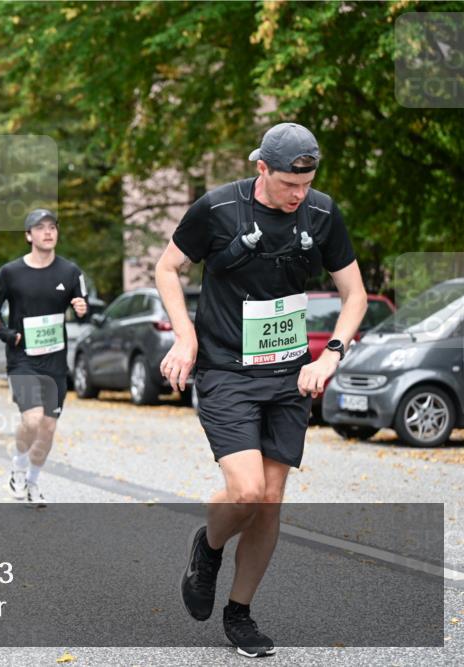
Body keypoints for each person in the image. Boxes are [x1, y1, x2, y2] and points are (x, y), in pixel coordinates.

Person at [156, 123, 367, 658]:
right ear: (262, 170)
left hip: (290, 374)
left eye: (306, 185)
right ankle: (207, 547)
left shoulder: (320, 213)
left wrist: (330, 356)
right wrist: (185, 336)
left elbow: (355, 294)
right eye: (288, 186)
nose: (299, 196)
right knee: (247, 490)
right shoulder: (218, 209)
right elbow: (166, 268)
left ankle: (240, 613)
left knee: (270, 501)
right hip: (226, 370)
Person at [0, 208, 88, 507]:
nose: (48, 232)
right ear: (28, 235)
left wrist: (83, 310)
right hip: (23, 359)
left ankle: (32, 482)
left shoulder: (70, 272)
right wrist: (9, 335)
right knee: (31, 420)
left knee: (48, 427)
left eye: (52, 227)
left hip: (55, 361)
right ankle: (17, 468)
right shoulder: (10, 273)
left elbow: (84, 310)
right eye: (40, 227)